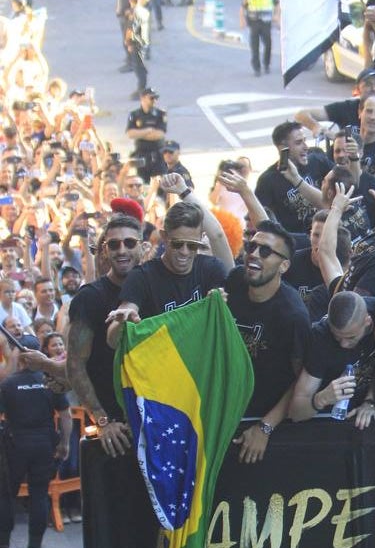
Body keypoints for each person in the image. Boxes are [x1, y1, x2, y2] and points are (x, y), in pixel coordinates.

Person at [225, 220, 310, 463]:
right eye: (251, 246)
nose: (253, 254)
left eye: (265, 251)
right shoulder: (234, 281)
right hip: (227, 412)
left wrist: (265, 427)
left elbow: (301, 379)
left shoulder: (293, 316)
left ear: (284, 265)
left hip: (264, 423)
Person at [66, 212, 146, 457]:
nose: (122, 250)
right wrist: (102, 421)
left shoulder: (155, 287)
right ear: (104, 251)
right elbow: (75, 364)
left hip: (156, 423)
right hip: (114, 432)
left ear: (142, 247)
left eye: (129, 243)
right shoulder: (89, 297)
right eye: (114, 244)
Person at [106, 194, 231, 347]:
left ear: (201, 238)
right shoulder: (142, 277)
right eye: (177, 244)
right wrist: (122, 323)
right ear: (164, 237)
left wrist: (221, 301)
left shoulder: (212, 269)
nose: (185, 252)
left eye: (192, 245)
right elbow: (112, 340)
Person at [0, 333, 71, 548]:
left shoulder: (8, 384)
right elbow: (65, 415)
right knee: (39, 495)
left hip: (15, 445)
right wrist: (65, 443)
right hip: (43, 445)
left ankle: (3, 547)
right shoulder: (49, 380)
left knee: (6, 496)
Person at [290, 290, 375, 428]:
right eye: (337, 336)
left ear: (367, 321)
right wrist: (322, 398)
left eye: (351, 337)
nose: (343, 344)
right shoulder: (321, 337)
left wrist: (371, 401)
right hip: (327, 417)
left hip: (374, 411)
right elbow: (296, 411)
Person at [254, 121, 331, 233]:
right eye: (299, 143)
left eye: (305, 140)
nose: (306, 147)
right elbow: (263, 223)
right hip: (298, 243)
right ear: (282, 148)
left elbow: (332, 203)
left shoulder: (316, 161)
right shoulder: (267, 181)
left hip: (328, 230)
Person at [240, 0, 277, 76]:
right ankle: (257, 68)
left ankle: (266, 64)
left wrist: (276, 16)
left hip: (266, 22)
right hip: (254, 22)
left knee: (268, 44)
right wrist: (242, 20)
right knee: (254, 46)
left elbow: (277, 4)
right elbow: (242, 7)